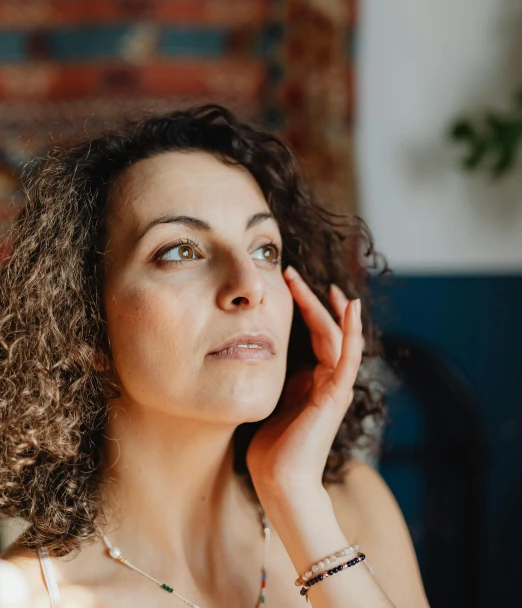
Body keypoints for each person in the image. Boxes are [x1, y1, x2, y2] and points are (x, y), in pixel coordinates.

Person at [0, 103, 430, 608]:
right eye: (180, 250)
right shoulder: (29, 595)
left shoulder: (352, 507)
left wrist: (295, 497)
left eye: (265, 249)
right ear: (83, 327)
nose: (249, 285)